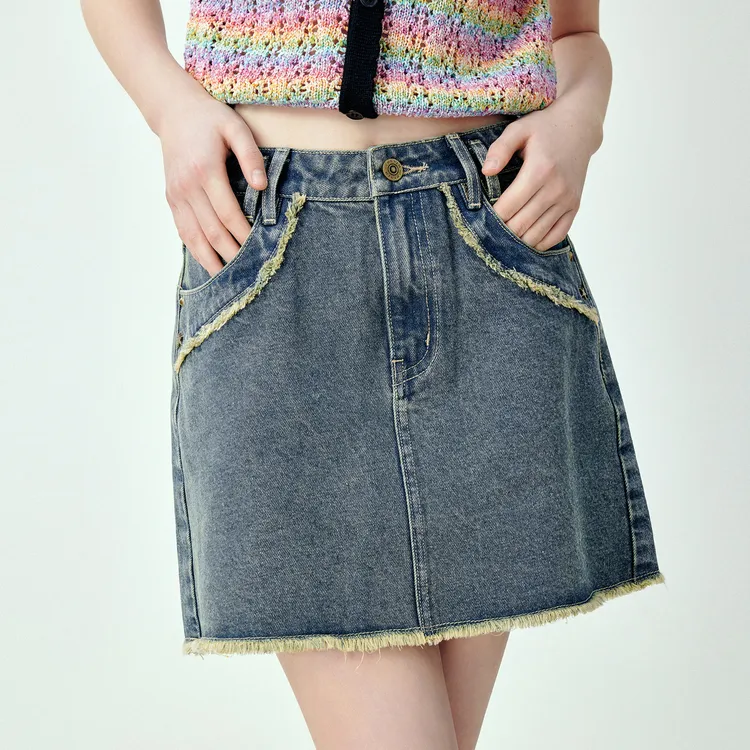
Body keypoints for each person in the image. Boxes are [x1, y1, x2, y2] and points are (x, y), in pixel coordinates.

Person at [82, 1, 665, 747]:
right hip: (278, 257)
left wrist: (580, 121)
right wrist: (170, 108)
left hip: (485, 239)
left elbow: (576, 34)